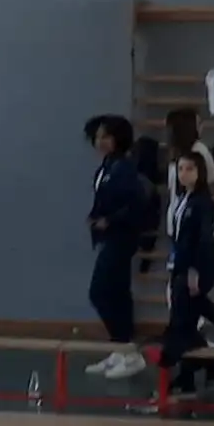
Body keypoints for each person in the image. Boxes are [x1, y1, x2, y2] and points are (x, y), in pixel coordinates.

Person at [83, 116, 150, 381]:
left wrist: (109, 220)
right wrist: (94, 217)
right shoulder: (106, 167)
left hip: (121, 238)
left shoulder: (124, 168)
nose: (100, 141)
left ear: (119, 139)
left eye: (106, 136)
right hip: (109, 238)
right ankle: (120, 349)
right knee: (119, 293)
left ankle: (129, 351)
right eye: (98, 136)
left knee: (99, 292)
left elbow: (136, 205)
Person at [161, 153, 214, 395]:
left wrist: (194, 270)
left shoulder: (203, 202)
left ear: (199, 172)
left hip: (196, 269)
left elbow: (205, 240)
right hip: (180, 265)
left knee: (181, 324)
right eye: (181, 169)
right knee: (186, 324)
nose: (184, 173)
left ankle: (212, 366)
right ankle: (194, 375)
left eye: (190, 168)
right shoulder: (183, 199)